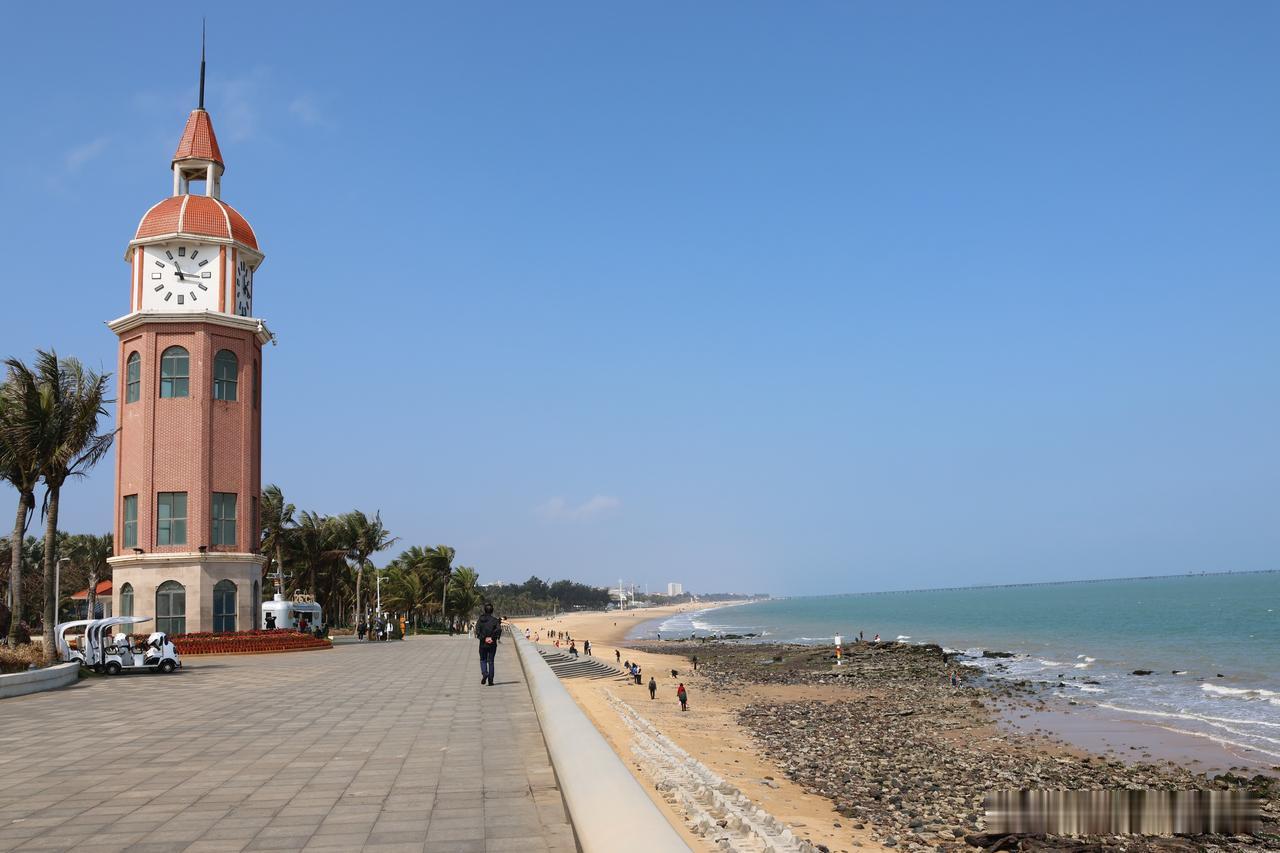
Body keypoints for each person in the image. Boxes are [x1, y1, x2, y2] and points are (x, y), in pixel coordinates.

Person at [475, 603, 503, 686]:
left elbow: (477, 630)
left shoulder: (480, 620)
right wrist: (492, 638)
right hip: (492, 644)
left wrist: (484, 638)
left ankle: (484, 673)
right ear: (492, 610)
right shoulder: (494, 620)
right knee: (491, 661)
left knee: (483, 659)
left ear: (484, 610)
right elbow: (499, 630)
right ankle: (490, 681)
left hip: (483, 644)